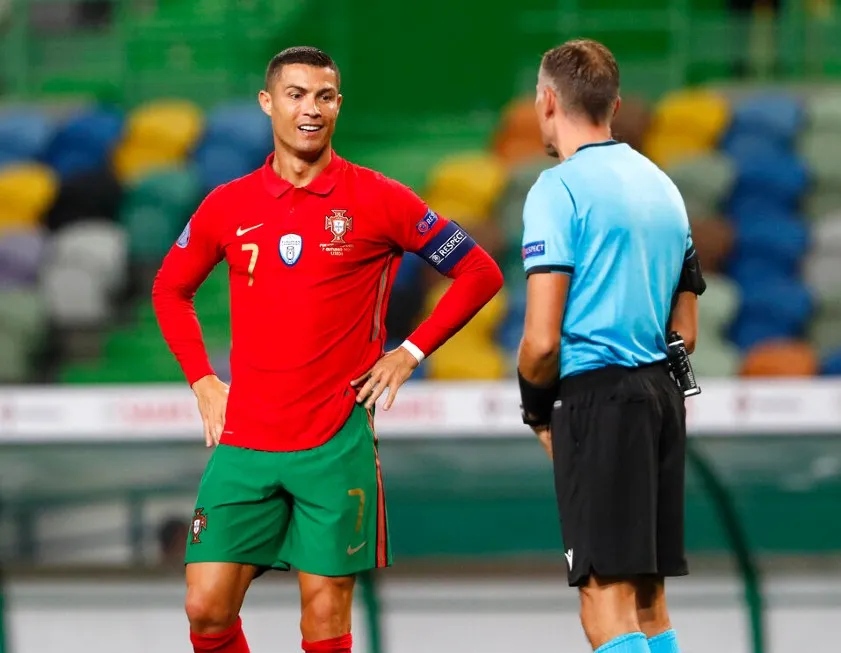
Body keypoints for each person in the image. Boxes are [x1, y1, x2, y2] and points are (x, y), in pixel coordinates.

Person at [152, 46, 504, 653]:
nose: (310, 109)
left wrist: (410, 351)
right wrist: (203, 381)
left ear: (338, 104)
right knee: (205, 607)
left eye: (324, 96)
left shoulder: (380, 198)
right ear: (268, 103)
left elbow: (478, 271)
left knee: (323, 614)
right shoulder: (228, 204)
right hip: (245, 440)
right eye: (295, 94)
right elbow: (169, 289)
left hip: (333, 440)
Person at [515, 39, 706, 653]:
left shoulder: (556, 190)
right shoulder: (664, 187)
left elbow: (542, 340)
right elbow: (688, 330)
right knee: (649, 598)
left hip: (598, 399)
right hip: (660, 397)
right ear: (614, 105)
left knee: (604, 597)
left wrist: (536, 408)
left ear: (546, 100)